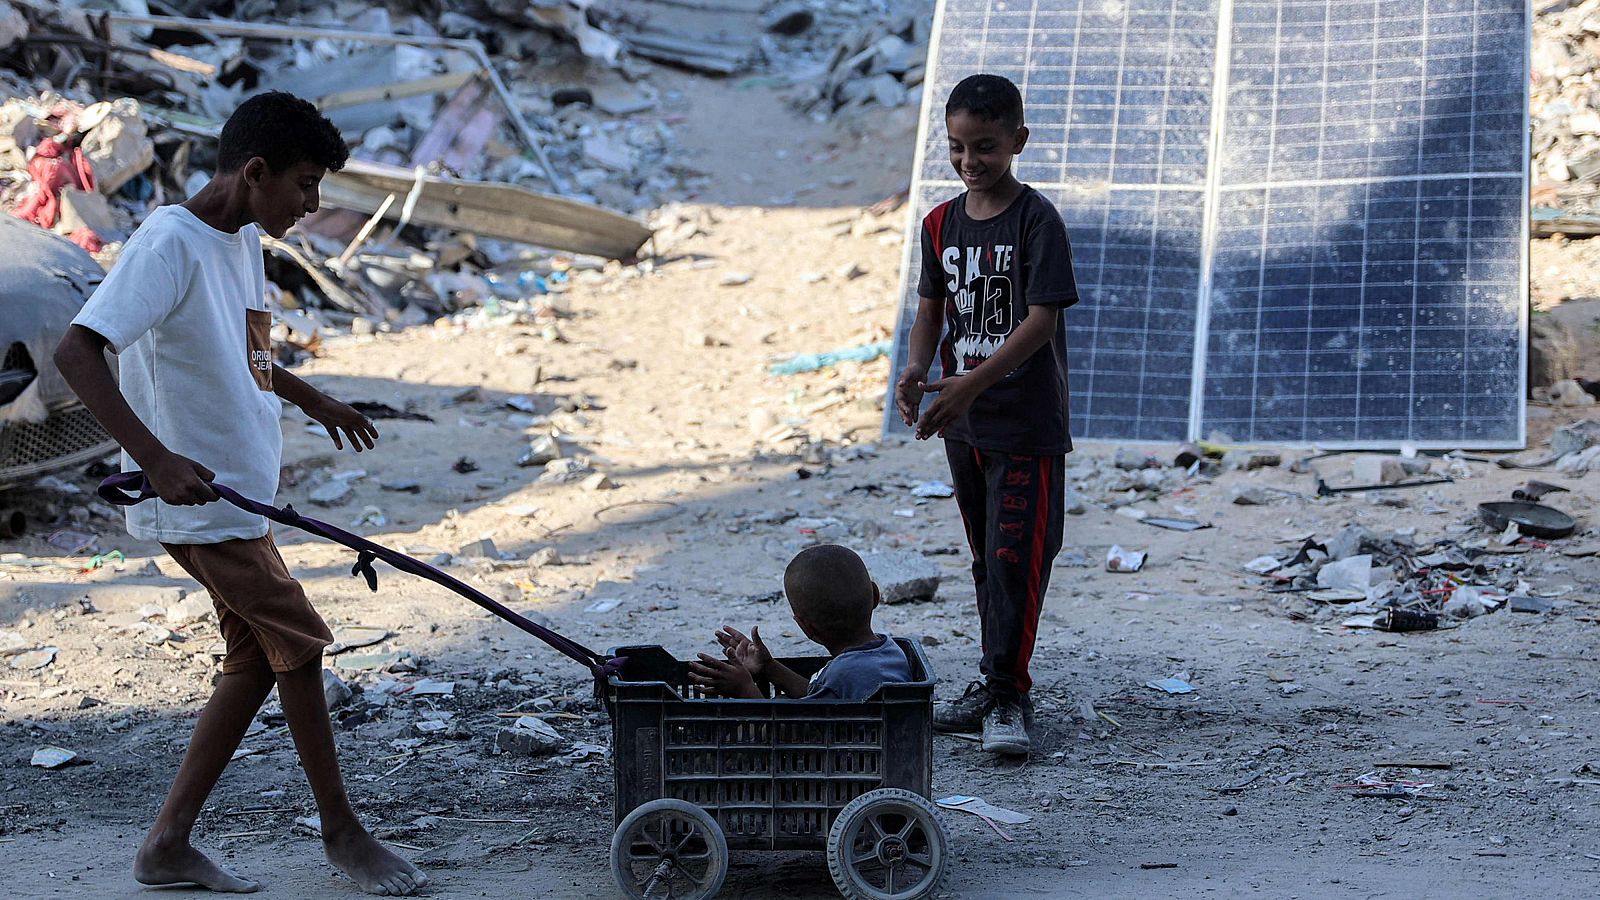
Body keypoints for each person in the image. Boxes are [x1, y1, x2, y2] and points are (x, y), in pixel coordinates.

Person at [53, 92, 427, 897]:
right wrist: (154, 459)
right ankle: (343, 832)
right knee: (300, 638)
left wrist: (309, 397)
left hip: (239, 496)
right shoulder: (169, 244)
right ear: (254, 173)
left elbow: (246, 352)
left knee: (255, 657)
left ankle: (167, 847)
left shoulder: (245, 239)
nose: (312, 204)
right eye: (304, 184)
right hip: (199, 501)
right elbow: (79, 351)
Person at [894, 73, 1079, 756]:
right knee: (983, 558)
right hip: (963, 423)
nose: (971, 161)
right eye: (958, 147)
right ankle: (995, 682)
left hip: (1023, 423)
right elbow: (931, 311)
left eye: (987, 147)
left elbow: (1041, 320)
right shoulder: (938, 223)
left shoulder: (1036, 221)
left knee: (1017, 558)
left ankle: (1007, 697)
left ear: (1018, 142)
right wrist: (920, 369)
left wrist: (970, 382)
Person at [689, 544, 911, 700]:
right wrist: (768, 667)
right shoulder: (891, 651)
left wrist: (745, 690)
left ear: (806, 627)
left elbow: (785, 733)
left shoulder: (843, 674)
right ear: (875, 595)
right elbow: (818, 697)